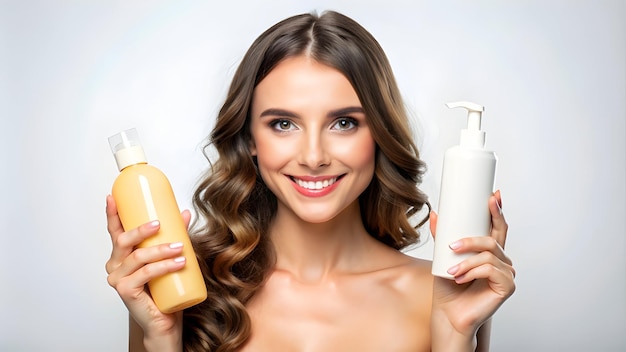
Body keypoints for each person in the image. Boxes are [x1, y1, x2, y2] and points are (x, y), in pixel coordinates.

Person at [105, 10, 515, 352]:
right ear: (249, 138)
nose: (314, 157)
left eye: (343, 123)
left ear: (379, 135)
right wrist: (159, 337)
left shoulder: (442, 295)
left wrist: (454, 334)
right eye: (283, 124)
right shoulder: (186, 290)